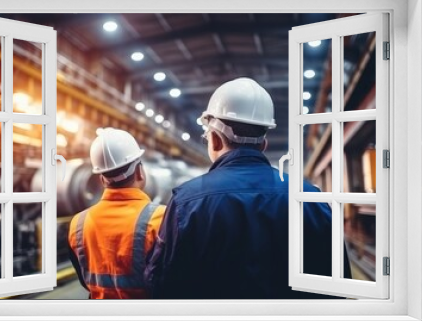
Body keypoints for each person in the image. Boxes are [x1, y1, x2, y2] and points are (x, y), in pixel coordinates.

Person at [144, 77, 351, 299]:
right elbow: (337, 284)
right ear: (263, 144)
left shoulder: (186, 201)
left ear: (214, 140)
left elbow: (163, 285)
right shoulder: (311, 199)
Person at [68, 128, 165, 299]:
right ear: (139, 172)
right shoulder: (161, 219)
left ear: (101, 178)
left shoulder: (78, 224)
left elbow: (84, 280)